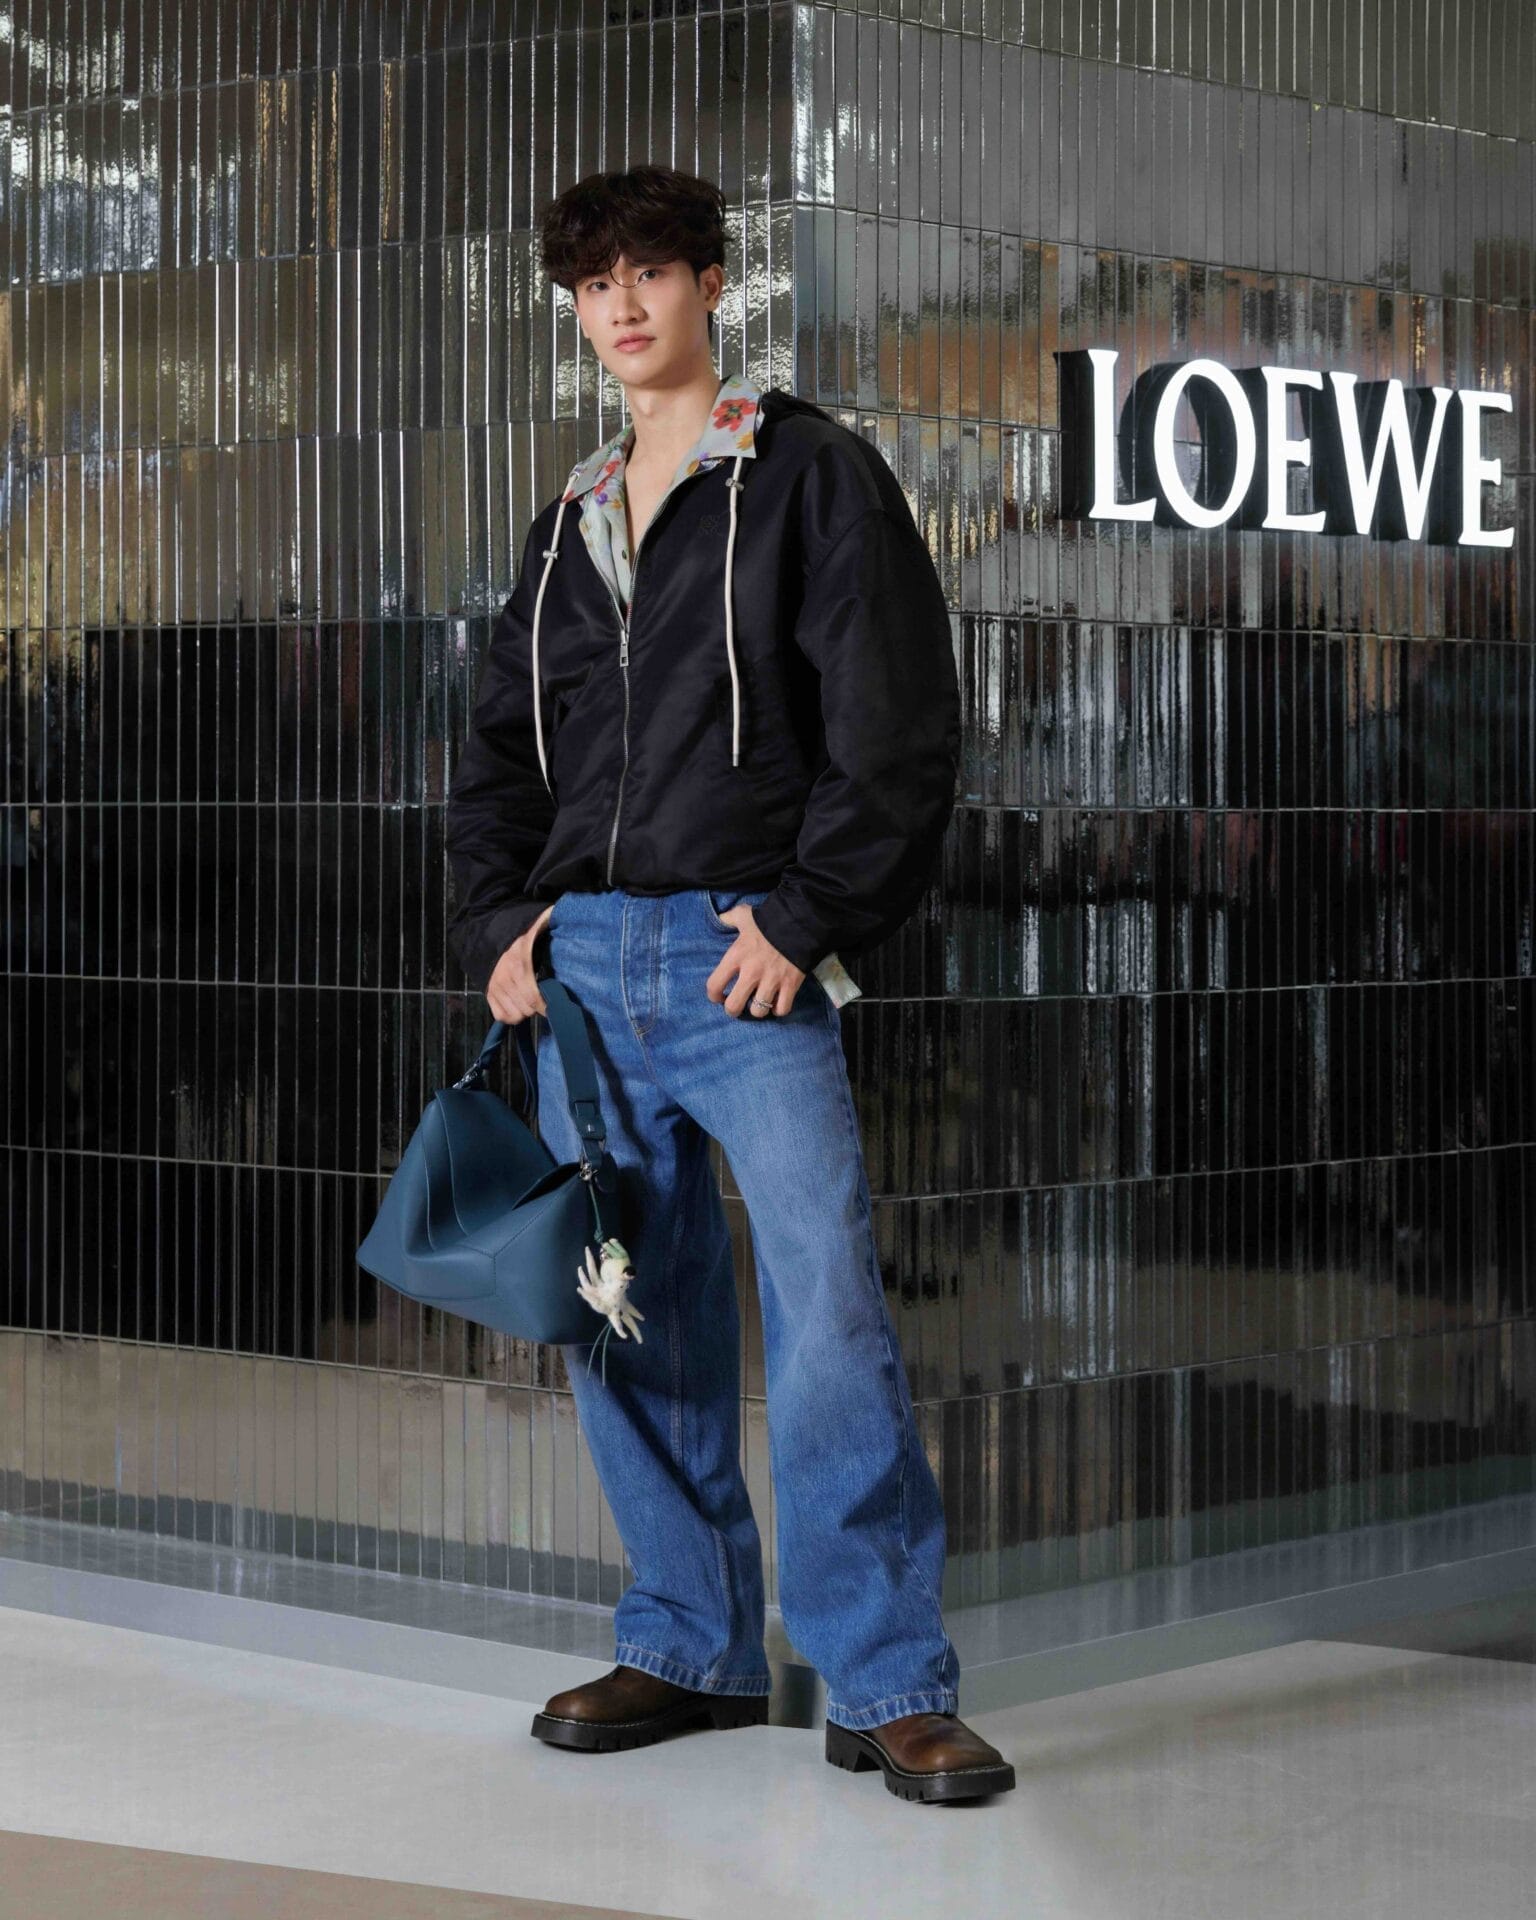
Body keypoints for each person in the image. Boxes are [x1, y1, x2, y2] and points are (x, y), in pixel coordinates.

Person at [445, 164, 1014, 1804]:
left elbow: (896, 724)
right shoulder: (568, 523)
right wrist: (503, 931)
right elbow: (498, 758)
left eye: (649, 272)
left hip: (743, 961)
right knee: (626, 1314)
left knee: (827, 1315)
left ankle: (885, 1680)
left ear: (710, 283)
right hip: (587, 975)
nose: (621, 305)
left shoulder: (810, 475)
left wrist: (805, 917)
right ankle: (689, 1644)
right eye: (592, 285)